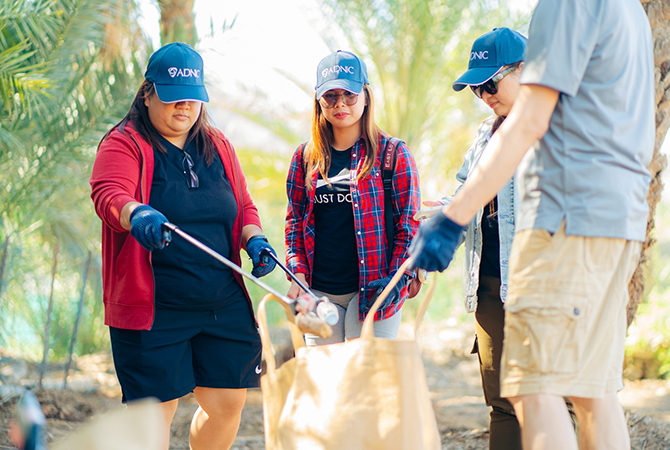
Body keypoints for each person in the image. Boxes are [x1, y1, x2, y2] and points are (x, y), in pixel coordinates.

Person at [409, 0, 655, 448]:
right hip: (617, 221)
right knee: (591, 391)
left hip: (565, 219)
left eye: (491, 82)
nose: (485, 96)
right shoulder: (630, 12)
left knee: (529, 385)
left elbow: (530, 121)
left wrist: (453, 218)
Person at [90, 42, 278, 450]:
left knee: (227, 402)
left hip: (220, 299)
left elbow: (243, 205)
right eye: (173, 98)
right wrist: (137, 215)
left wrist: (255, 239)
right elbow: (109, 194)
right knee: (153, 418)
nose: (184, 107)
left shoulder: (217, 145)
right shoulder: (124, 143)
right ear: (148, 93)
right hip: (154, 307)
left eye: (193, 98)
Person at [423, 27, 526, 450]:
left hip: (537, 286)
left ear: (526, 70)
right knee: (501, 402)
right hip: (488, 288)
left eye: (491, 83)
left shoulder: (554, 131)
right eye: (476, 88)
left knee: (550, 400)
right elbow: (467, 193)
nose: (485, 95)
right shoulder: (486, 135)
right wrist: (438, 213)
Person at [285, 50, 421, 345]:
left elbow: (409, 227)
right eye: (330, 96)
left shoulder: (393, 154)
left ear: (366, 97)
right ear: (319, 101)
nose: (340, 104)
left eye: (349, 94)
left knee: (364, 386)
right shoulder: (305, 157)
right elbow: (295, 222)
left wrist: (394, 282)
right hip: (320, 296)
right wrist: (298, 275)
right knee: (328, 387)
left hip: (375, 290)